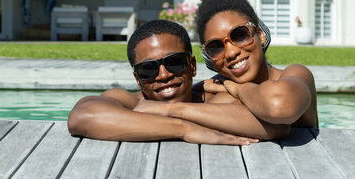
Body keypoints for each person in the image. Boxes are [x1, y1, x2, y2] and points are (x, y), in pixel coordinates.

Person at [68, 20, 288, 145]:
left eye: (174, 62)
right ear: (137, 79)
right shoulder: (129, 101)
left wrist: (174, 112)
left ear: (192, 65)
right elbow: (82, 116)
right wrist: (183, 128)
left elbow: (276, 126)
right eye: (148, 69)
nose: (163, 75)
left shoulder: (214, 98)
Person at [193, 0, 318, 128]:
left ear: (261, 35)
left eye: (239, 35)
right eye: (215, 47)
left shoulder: (298, 75)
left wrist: (236, 89)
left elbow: (278, 106)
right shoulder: (212, 90)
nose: (231, 53)